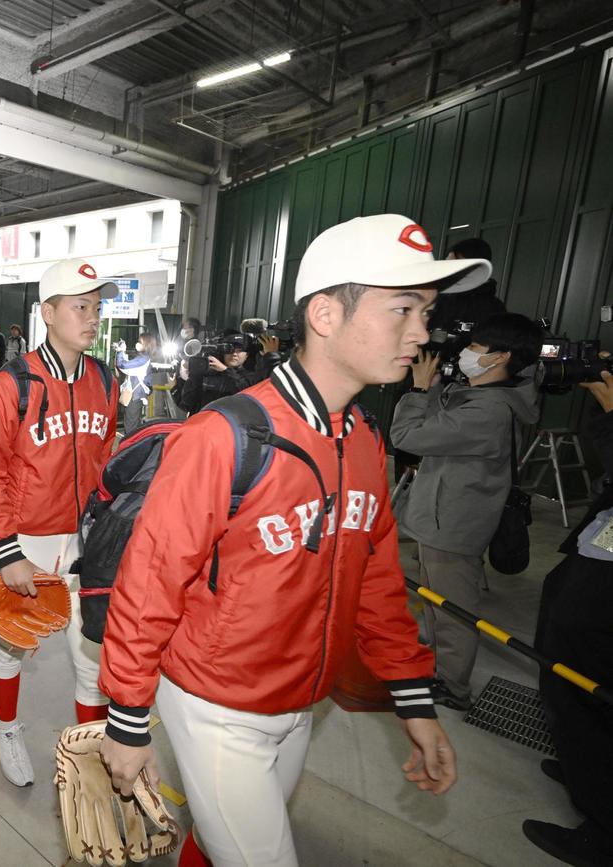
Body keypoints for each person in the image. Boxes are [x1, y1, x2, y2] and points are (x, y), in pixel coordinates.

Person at [98, 214, 477, 866]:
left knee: (217, 843)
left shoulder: (361, 437)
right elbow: (149, 579)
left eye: (427, 311)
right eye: (404, 308)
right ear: (326, 314)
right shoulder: (225, 435)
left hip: (303, 703)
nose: (421, 332)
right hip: (218, 706)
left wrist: (412, 696)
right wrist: (128, 718)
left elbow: (378, 581)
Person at [0, 259, 118, 787]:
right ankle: (6, 728)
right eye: (81, 307)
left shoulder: (105, 378)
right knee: (12, 645)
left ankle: (90, 761)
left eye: (97, 307)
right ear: (48, 313)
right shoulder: (10, 385)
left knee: (90, 654)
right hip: (22, 538)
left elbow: (105, 461)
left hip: (81, 539)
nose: (93, 317)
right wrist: (7, 553)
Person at [390, 313, 542, 711]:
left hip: (453, 524)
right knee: (437, 603)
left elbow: (407, 436)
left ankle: (453, 685)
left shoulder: (488, 411)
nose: (468, 353)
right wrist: (440, 387)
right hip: (443, 516)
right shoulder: (481, 396)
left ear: (499, 357)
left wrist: (420, 389)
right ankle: (439, 666)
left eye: (476, 347)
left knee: (453, 610)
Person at [523, 369, 613, 865]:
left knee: (586, 676)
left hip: (602, 596)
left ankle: (600, 831)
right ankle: (585, 766)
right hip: (599, 549)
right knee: (567, 662)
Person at [179, 330, 265, 414]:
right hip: (201, 423)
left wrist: (225, 370)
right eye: (229, 349)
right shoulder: (208, 373)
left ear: (247, 355)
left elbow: (245, 392)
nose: (234, 353)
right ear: (223, 352)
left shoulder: (250, 377)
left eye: (239, 350)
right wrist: (196, 374)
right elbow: (187, 404)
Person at [116, 331, 158, 435]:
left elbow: (124, 366)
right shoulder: (142, 358)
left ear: (146, 345)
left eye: (140, 342)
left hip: (135, 396)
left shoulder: (143, 359)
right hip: (135, 395)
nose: (137, 344)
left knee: (131, 426)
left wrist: (121, 351)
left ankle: (130, 447)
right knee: (133, 423)